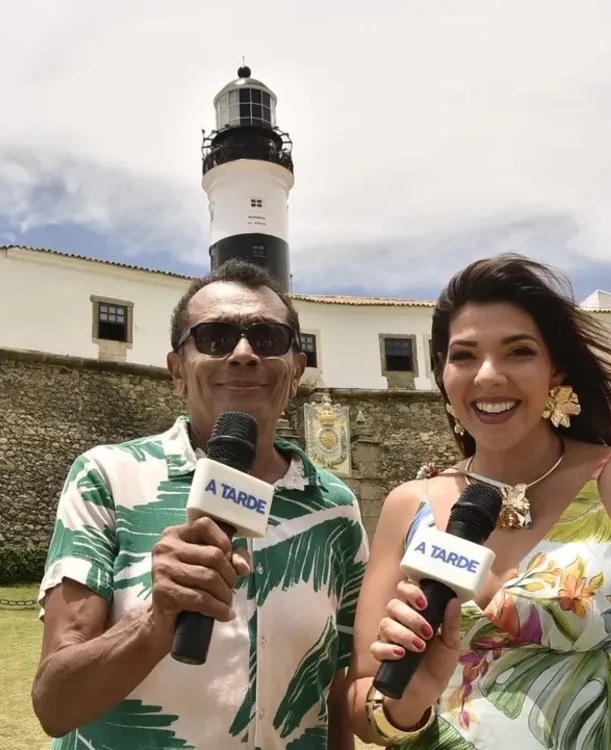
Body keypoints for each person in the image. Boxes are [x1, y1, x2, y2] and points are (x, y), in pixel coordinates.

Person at [344, 254, 611, 749]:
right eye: (464, 356)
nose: (488, 375)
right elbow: (365, 700)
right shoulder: (410, 506)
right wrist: (408, 699)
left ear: (555, 369)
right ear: (443, 375)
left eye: (519, 352)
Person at [32, 259, 369, 749]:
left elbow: (334, 694)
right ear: (177, 372)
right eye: (215, 337)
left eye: (269, 339)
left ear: (296, 371)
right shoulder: (108, 477)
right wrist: (155, 622)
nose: (244, 353)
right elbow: (54, 705)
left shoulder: (336, 508)